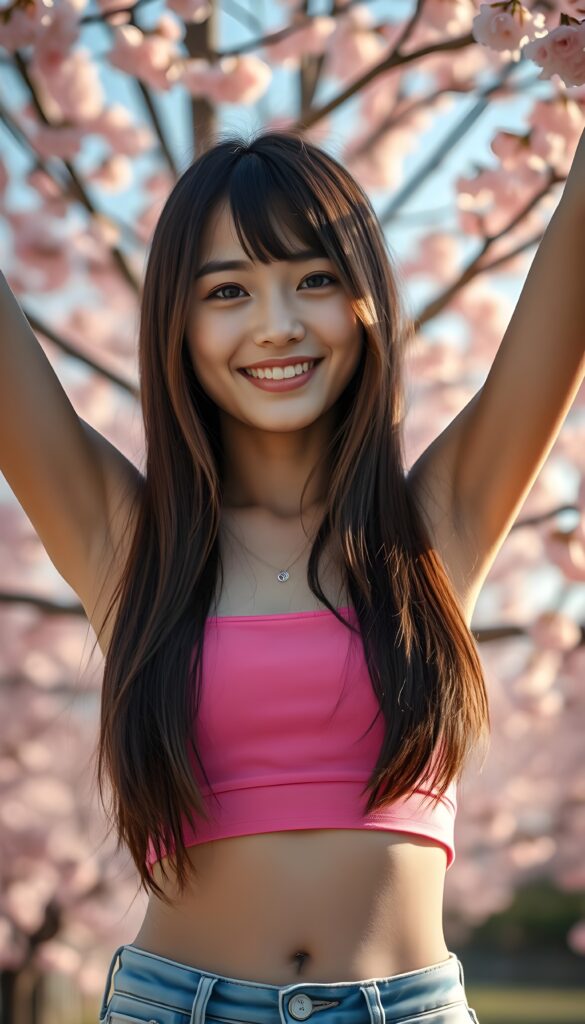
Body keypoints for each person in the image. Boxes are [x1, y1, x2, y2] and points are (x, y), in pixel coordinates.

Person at [2, 127, 503, 1023]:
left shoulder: (430, 533)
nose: (277, 323)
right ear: (177, 325)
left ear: (366, 300)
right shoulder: (132, 548)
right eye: (227, 291)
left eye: (314, 278)